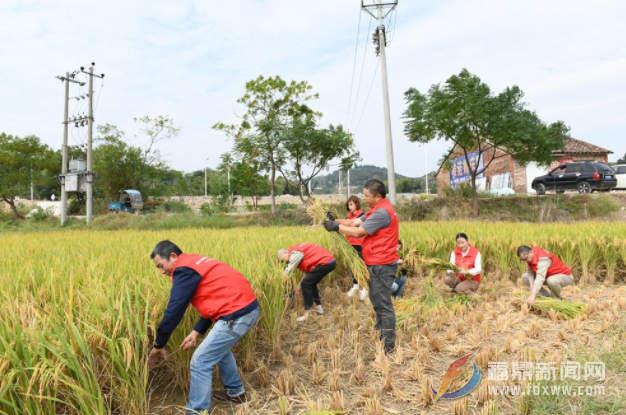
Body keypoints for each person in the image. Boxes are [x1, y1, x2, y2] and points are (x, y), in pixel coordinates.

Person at [147, 240, 259, 414]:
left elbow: (174, 311)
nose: (162, 271)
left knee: (200, 362)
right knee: (219, 350)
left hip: (236, 315)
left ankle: (197, 411)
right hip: (243, 310)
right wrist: (195, 332)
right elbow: (214, 301)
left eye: (161, 265)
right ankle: (236, 392)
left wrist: (158, 345)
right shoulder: (194, 262)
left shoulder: (184, 270)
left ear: (173, 256)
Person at [323, 179, 400, 354]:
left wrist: (336, 227)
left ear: (378, 196)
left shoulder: (383, 213)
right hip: (374, 262)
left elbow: (359, 232)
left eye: (367, 196)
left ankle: (388, 343)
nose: (364, 198)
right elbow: (355, 222)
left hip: (383, 264)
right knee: (376, 299)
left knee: (384, 303)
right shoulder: (375, 210)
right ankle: (380, 331)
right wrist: (336, 220)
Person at [278, 243, 336, 322]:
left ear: (285, 253)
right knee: (310, 283)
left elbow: (289, 269)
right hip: (329, 262)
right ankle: (319, 309)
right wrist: (299, 286)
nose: (284, 263)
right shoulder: (297, 252)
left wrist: (279, 281)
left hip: (325, 263)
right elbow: (308, 273)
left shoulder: (294, 253)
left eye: (282, 260)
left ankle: (308, 313)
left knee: (306, 284)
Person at [343, 195, 368, 300]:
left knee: (362, 266)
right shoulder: (348, 217)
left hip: (360, 244)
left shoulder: (362, 215)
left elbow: (353, 226)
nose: (350, 206)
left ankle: (365, 288)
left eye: (351, 204)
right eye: (348, 205)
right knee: (354, 266)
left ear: (357, 204)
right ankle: (355, 286)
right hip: (350, 244)